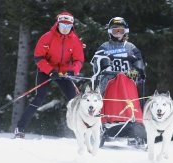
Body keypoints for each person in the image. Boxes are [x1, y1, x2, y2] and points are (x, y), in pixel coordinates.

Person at [14, 12, 85, 138]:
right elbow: (38, 57)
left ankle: (83, 132)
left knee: (74, 100)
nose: (65, 29)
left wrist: (72, 71)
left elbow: (78, 60)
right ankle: (20, 129)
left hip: (64, 72)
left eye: (68, 26)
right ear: (57, 24)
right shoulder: (47, 37)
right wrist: (50, 71)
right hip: (47, 71)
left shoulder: (75, 40)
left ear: (72, 27)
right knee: (39, 97)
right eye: (63, 25)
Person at [93, 17, 146, 147]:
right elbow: (96, 63)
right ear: (110, 32)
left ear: (125, 32)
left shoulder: (130, 47)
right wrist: (103, 63)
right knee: (118, 82)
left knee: (124, 81)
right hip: (108, 79)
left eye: (120, 31)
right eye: (115, 31)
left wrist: (138, 69)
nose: (118, 34)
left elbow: (140, 62)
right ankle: (107, 120)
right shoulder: (104, 47)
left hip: (127, 79)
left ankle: (134, 123)